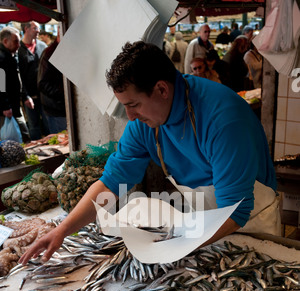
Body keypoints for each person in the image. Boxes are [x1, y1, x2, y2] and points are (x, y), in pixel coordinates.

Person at [19, 41, 280, 267]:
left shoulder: (222, 119)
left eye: (133, 105)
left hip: (251, 221)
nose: (130, 117)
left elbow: (235, 211)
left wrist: (173, 249)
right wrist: (63, 230)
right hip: (204, 222)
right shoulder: (142, 125)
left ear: (162, 89)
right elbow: (111, 184)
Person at [18, 21, 49, 140]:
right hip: (29, 96)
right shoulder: (19, 49)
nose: (38, 31)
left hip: (45, 95)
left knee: (48, 125)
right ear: (26, 29)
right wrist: (25, 96)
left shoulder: (42, 46)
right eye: (35, 28)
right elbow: (19, 75)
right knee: (34, 126)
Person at [0, 27, 30, 142]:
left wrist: (25, 96)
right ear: (5, 41)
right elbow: (0, 86)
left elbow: (18, 80)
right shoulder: (1, 58)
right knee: (10, 140)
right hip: (6, 109)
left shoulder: (12, 55)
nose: (19, 45)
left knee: (23, 135)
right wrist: (5, 106)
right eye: (16, 41)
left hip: (14, 105)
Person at [37, 29, 67, 133]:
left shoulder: (65, 50)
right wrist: (64, 94)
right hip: (56, 109)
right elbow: (42, 83)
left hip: (63, 108)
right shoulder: (49, 53)